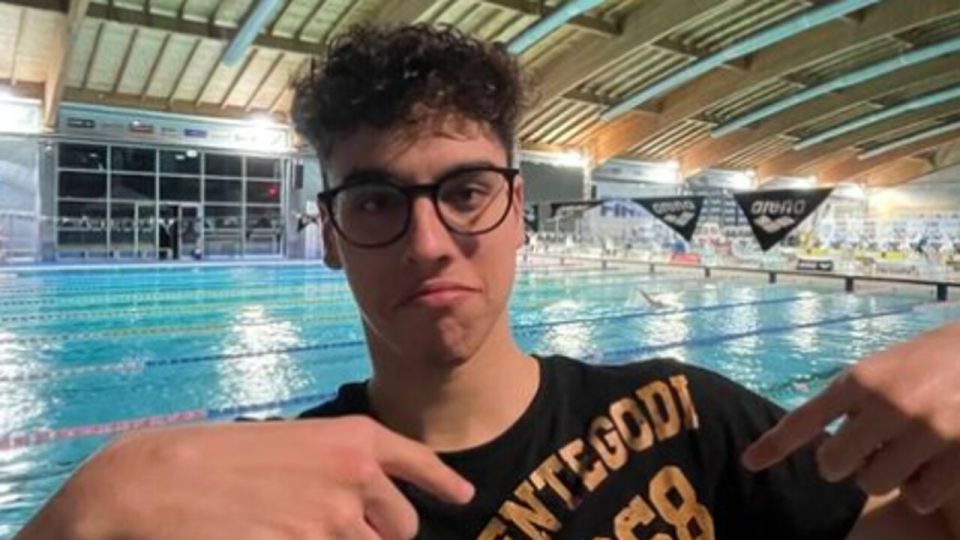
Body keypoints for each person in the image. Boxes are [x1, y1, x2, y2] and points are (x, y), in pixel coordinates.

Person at [15, 25, 960, 540]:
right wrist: (79, 516)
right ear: (331, 237)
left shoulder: (688, 415)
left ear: (516, 211)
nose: (429, 243)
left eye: (465, 192)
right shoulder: (271, 501)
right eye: (377, 202)